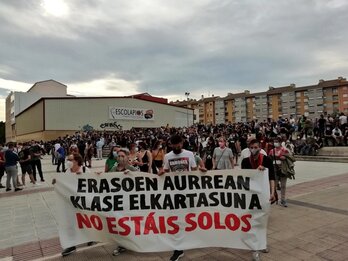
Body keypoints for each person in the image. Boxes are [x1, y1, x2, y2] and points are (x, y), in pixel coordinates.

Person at [159, 134, 198, 261]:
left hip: (188, 192)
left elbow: (194, 170)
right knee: (176, 220)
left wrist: (201, 171)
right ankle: (178, 248)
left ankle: (188, 241)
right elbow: (165, 171)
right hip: (174, 194)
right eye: (174, 144)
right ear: (171, 144)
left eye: (179, 144)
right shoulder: (167, 156)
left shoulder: (189, 154)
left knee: (189, 218)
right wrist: (161, 173)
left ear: (182, 143)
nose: (177, 146)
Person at [53, 154, 96, 256]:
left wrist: (97, 176)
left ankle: (90, 238)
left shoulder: (85, 170)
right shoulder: (66, 172)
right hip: (70, 203)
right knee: (70, 223)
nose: (67, 161)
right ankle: (71, 245)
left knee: (86, 220)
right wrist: (56, 182)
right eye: (67, 159)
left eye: (70, 159)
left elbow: (94, 183)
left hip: (84, 202)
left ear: (77, 161)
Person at [241, 139, 276, 261]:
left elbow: (272, 177)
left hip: (263, 195)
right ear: (248, 148)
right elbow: (243, 179)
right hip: (251, 196)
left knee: (262, 221)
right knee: (252, 222)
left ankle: (261, 243)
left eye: (255, 147)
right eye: (251, 147)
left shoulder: (267, 160)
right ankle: (255, 248)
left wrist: (272, 193)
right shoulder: (245, 162)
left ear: (260, 148)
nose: (253, 149)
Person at [108, 148, 137, 256]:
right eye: (118, 156)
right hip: (118, 202)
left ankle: (131, 242)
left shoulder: (132, 169)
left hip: (130, 202)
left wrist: (132, 176)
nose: (120, 158)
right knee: (120, 224)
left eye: (122, 156)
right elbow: (105, 180)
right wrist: (98, 176)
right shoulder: (114, 169)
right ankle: (122, 245)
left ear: (127, 157)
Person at [269, 137, 289, 207]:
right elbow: (269, 159)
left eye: (277, 141)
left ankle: (283, 200)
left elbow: (288, 158)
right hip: (274, 170)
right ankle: (273, 198)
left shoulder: (285, 150)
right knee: (273, 185)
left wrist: (284, 157)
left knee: (283, 186)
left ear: (280, 142)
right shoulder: (272, 150)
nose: (275, 143)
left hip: (283, 169)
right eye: (274, 141)